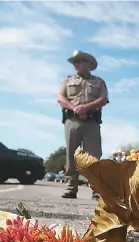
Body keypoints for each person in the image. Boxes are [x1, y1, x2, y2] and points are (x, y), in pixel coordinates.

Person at [57, 50, 108, 199]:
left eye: (80, 61)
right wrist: (75, 108)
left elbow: (103, 98)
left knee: (93, 156)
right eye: (75, 62)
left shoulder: (98, 82)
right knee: (71, 153)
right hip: (72, 120)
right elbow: (60, 97)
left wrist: (87, 107)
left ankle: (96, 190)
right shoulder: (67, 80)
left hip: (91, 122)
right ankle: (71, 187)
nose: (76, 65)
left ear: (89, 64)